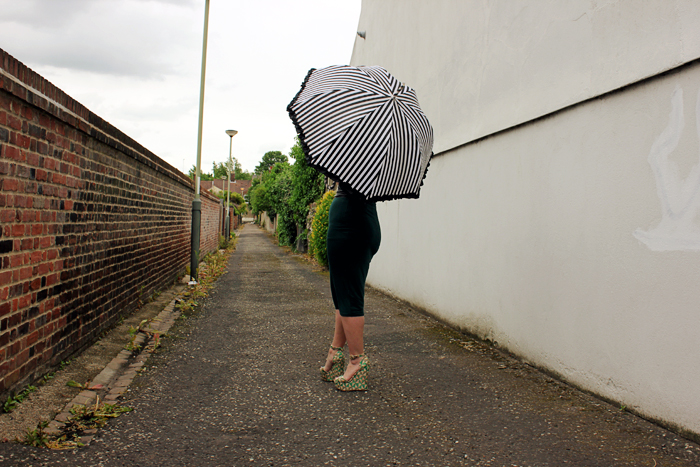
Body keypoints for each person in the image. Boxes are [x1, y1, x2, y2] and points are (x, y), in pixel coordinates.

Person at [319, 182, 381, 391]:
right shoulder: (371, 160)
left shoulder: (356, 155)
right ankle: (335, 353)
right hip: (358, 219)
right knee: (342, 294)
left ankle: (356, 362)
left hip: (351, 223)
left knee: (349, 296)